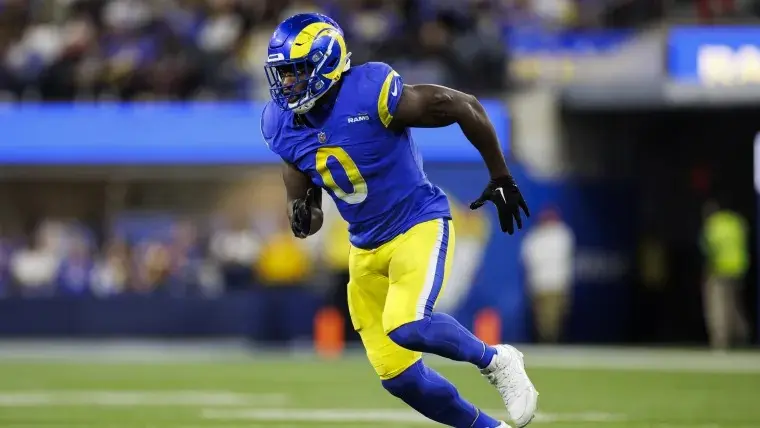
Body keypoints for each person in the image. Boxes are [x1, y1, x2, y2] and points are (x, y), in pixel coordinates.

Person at [260, 13, 537, 428]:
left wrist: (500, 176)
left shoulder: (369, 91)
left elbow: (464, 105)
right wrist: (301, 216)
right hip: (364, 247)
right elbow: (306, 207)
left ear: (325, 63)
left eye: (295, 71)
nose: (286, 83)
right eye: (282, 74)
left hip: (416, 224)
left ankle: (497, 359)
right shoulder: (281, 124)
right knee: (400, 378)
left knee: (408, 325)